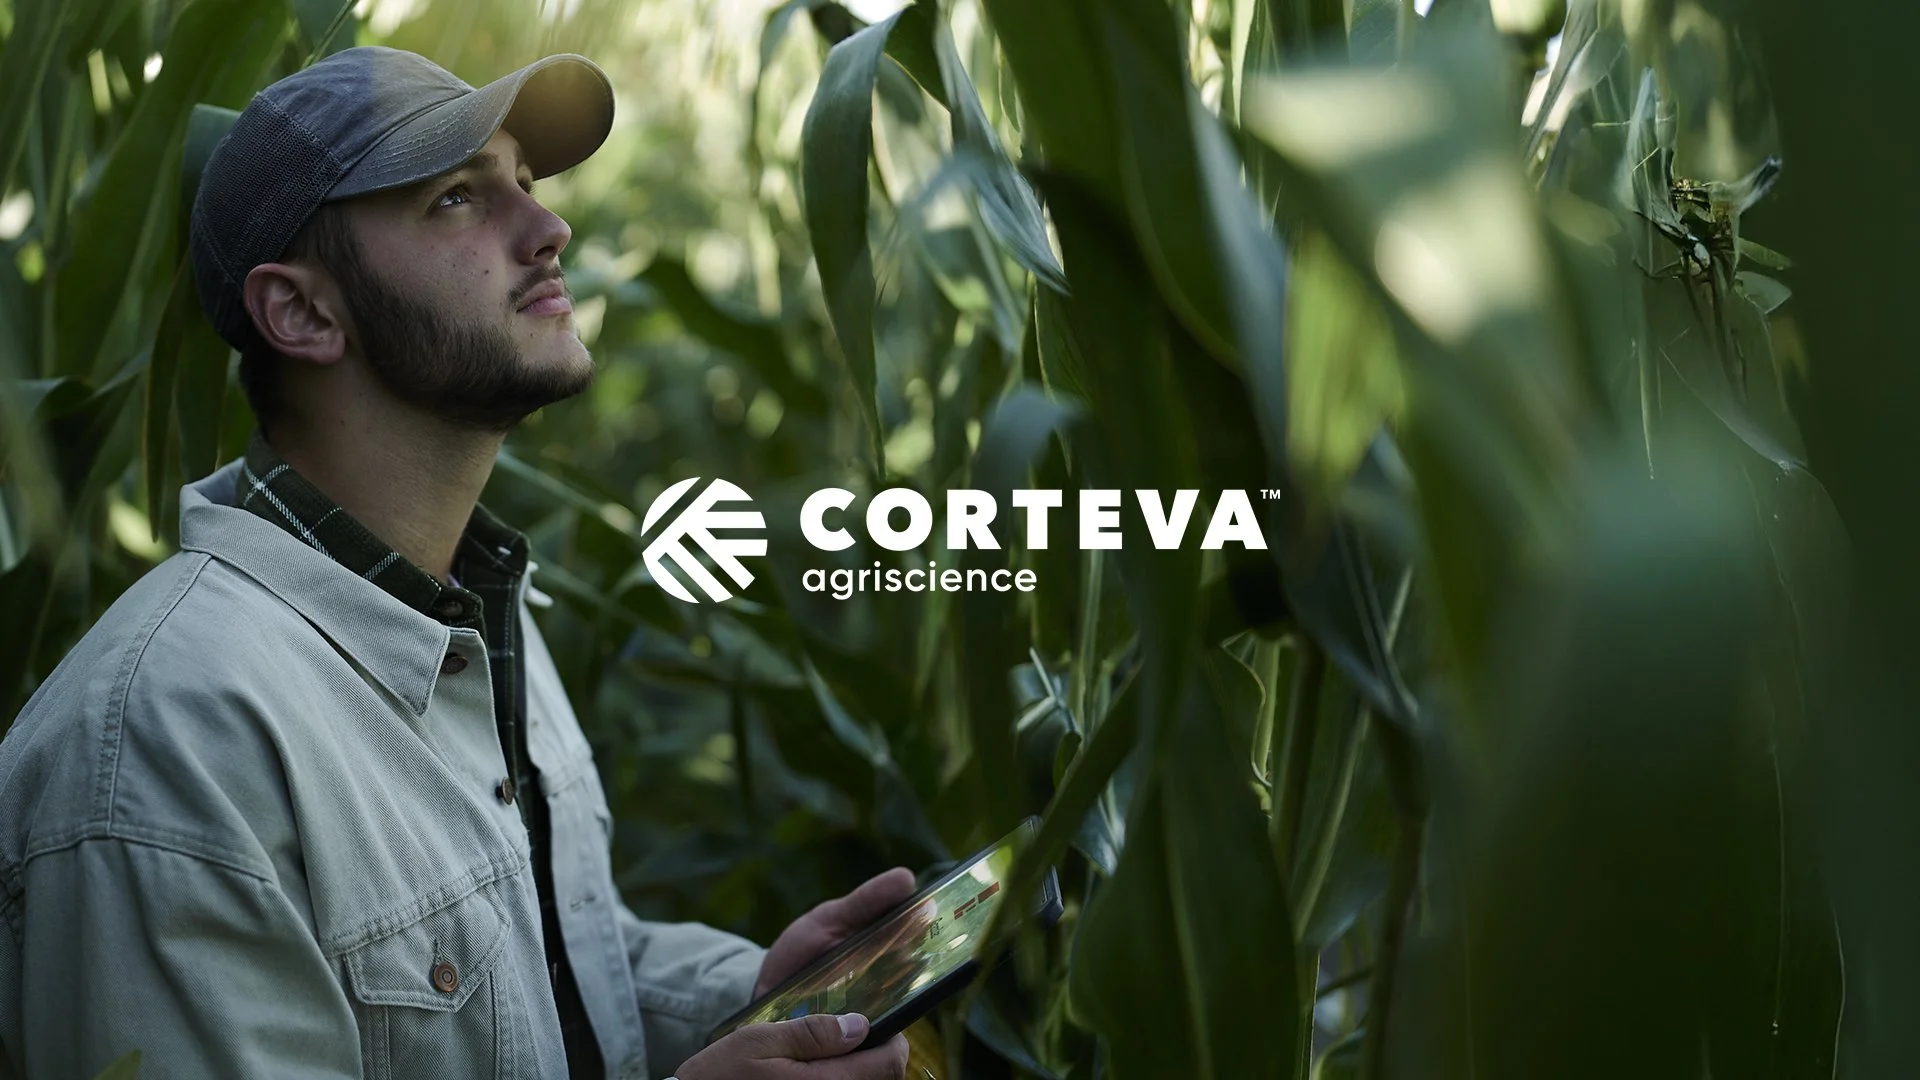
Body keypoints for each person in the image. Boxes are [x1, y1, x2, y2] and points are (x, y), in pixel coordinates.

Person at [0, 46, 913, 1080]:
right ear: (303, 313)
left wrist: (749, 1001)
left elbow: (537, 965)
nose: (549, 228)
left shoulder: (471, 611)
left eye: (524, 181)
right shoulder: (171, 740)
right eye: (457, 199)